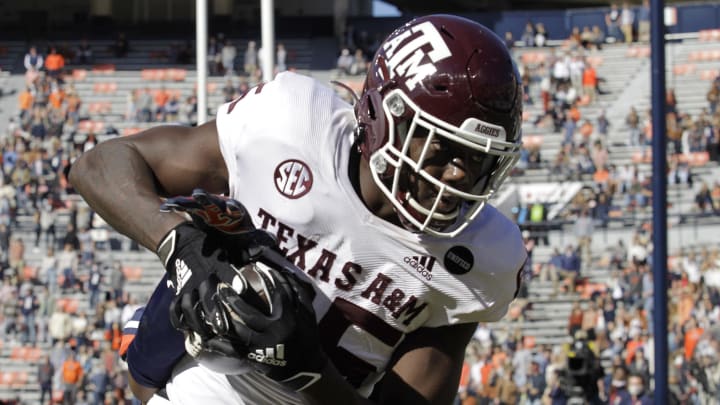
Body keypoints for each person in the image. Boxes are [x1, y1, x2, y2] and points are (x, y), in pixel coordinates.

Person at [69, 14, 526, 405]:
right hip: (207, 375)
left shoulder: (482, 256)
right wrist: (181, 245)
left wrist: (308, 371)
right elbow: (97, 166)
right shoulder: (292, 124)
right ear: (384, 117)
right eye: (443, 146)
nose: (460, 175)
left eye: (479, 158)